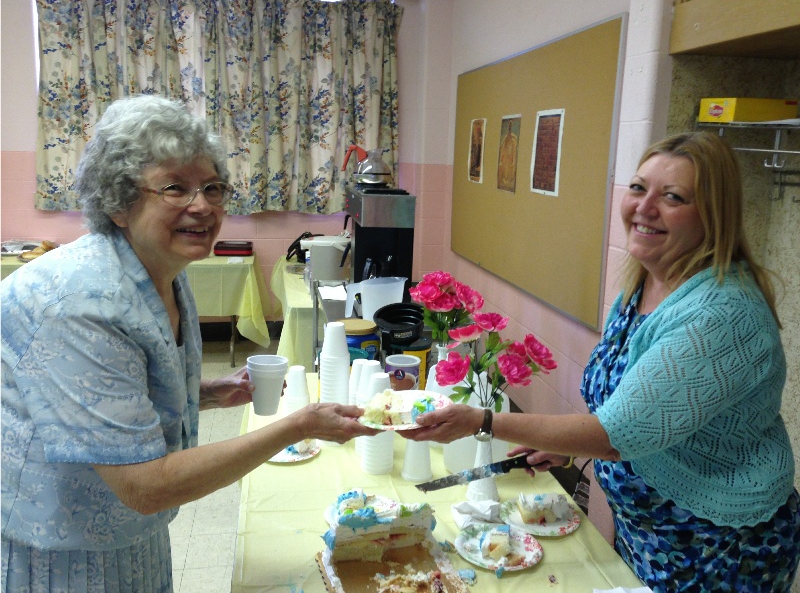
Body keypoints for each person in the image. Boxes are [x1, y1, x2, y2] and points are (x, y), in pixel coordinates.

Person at [1, 95, 377, 593]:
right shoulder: (80, 302)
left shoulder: (164, 273)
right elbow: (143, 485)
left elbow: (120, 393)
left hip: (128, 535)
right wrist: (297, 426)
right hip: (61, 552)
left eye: (213, 188)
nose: (202, 206)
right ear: (118, 202)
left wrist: (211, 391)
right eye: (175, 188)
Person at [402, 131, 800, 591]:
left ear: (713, 215)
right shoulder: (644, 284)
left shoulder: (722, 314)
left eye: (672, 197)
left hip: (717, 544)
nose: (644, 207)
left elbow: (616, 435)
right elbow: (638, 408)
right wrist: (568, 443)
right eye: (638, 188)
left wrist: (482, 421)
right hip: (651, 534)